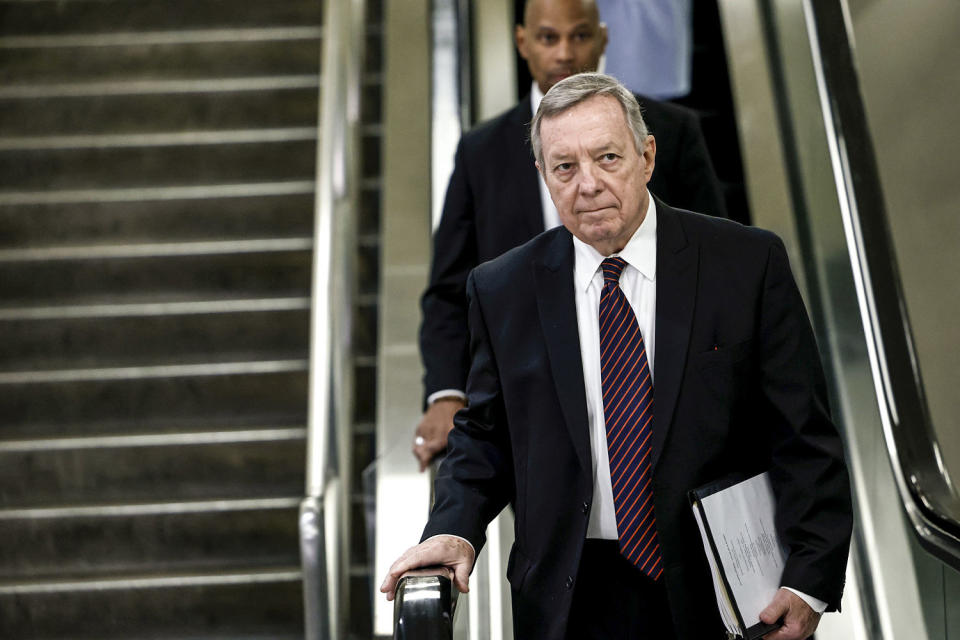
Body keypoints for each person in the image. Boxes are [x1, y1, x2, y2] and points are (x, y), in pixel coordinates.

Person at [383, 73, 852, 639]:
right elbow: (486, 435)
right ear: (543, 176)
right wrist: (454, 528)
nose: (588, 184)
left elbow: (803, 436)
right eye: (565, 167)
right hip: (570, 597)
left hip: (725, 595)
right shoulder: (503, 288)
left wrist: (808, 580)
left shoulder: (747, 264)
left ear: (646, 156)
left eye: (607, 157)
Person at [414, 0, 727, 471]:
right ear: (522, 42)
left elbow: (717, 263)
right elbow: (448, 289)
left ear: (602, 40)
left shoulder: (672, 132)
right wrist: (446, 392)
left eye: (579, 36)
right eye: (548, 38)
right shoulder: (482, 152)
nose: (564, 53)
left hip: (659, 381)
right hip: (530, 401)